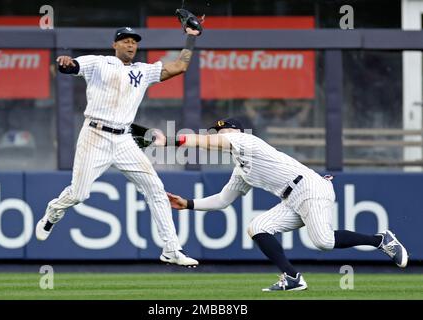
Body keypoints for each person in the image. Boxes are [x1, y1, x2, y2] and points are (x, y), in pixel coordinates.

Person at [164, 118, 408, 290]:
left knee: (323, 242)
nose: (218, 135)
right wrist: (188, 203)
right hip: (291, 198)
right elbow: (223, 200)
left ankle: (381, 240)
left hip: (309, 187)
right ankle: (292, 277)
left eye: (222, 130)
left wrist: (170, 140)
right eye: (216, 132)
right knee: (257, 227)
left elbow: (207, 143)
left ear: (236, 131)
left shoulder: (248, 142)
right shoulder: (241, 169)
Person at [35, 26, 200, 267]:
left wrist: (191, 38)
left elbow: (180, 67)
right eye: (125, 41)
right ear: (115, 45)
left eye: (134, 41)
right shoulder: (99, 63)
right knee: (79, 194)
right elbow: (70, 66)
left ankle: (172, 250)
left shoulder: (143, 71)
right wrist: (65, 63)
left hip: (124, 140)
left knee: (156, 190)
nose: (130, 45)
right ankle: (53, 212)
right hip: (95, 135)